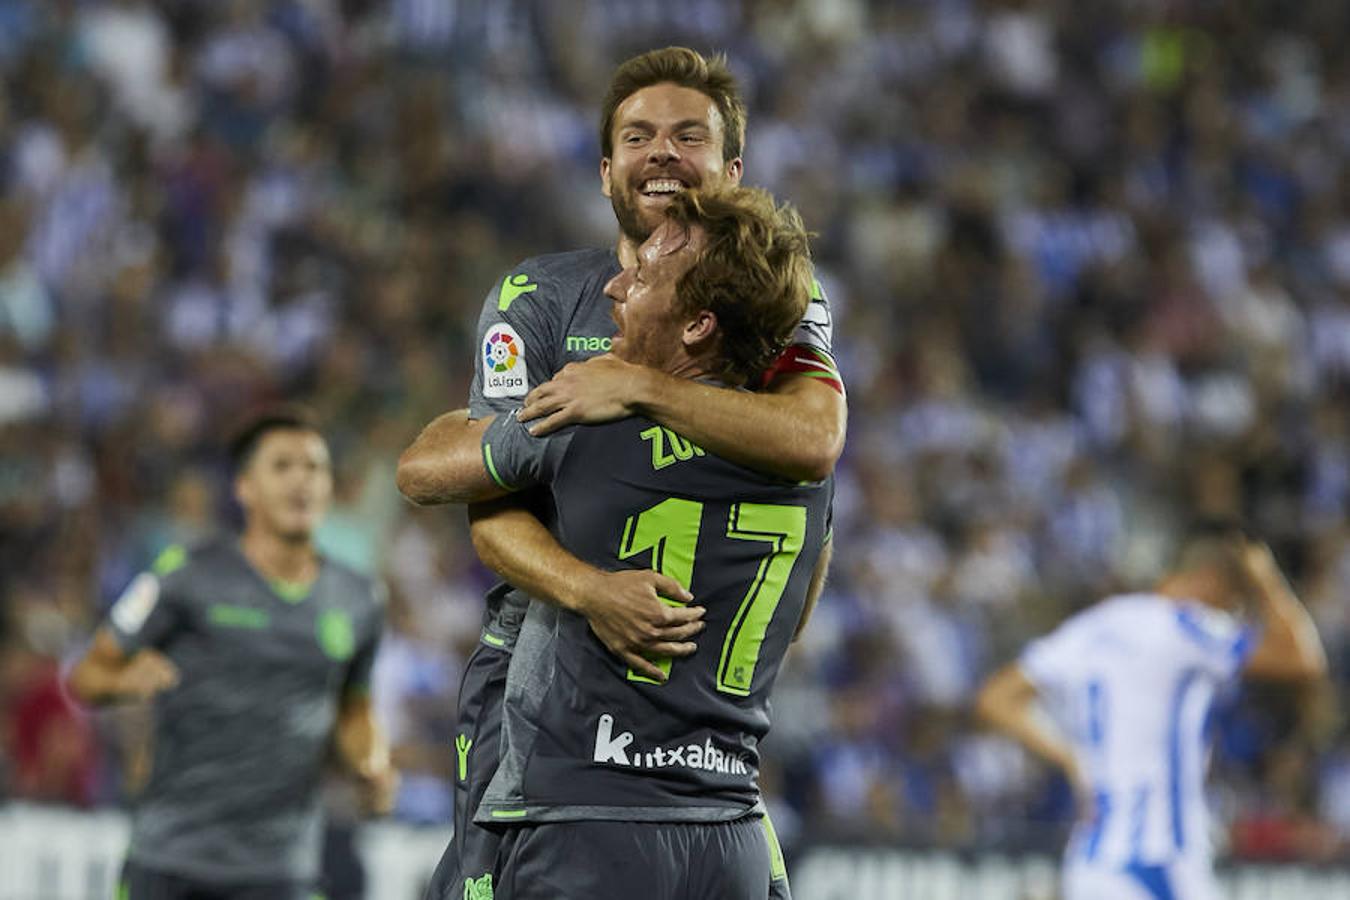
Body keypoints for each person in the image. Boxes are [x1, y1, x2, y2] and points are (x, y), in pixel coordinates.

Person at [415, 46, 846, 899]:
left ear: (730, 171)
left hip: (616, 768)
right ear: (606, 167)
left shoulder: (776, 298)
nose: (662, 153)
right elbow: (484, 502)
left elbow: (814, 438)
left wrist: (637, 389)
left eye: (689, 136)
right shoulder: (539, 297)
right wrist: (587, 590)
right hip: (544, 682)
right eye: (639, 136)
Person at [69, 407, 398, 900]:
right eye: (282, 466)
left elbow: (355, 706)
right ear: (244, 488)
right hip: (171, 858)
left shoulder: (359, 598)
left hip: (282, 867)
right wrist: (124, 680)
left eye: (314, 468)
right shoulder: (186, 575)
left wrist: (370, 762)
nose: (301, 482)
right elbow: (86, 676)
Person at [975, 532, 1327, 900]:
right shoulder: (1183, 625)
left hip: (1093, 860)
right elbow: (1301, 659)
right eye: (1232, 604)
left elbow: (996, 698)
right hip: (1157, 858)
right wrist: (1265, 577)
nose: (1229, 615)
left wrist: (1070, 757)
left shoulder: (1097, 624)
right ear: (1209, 581)